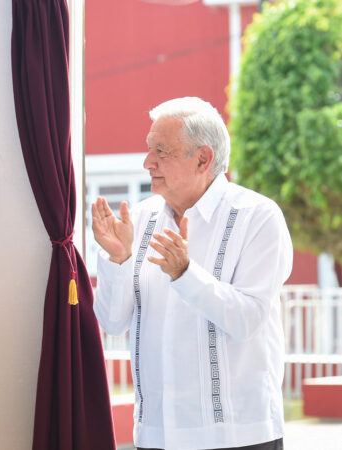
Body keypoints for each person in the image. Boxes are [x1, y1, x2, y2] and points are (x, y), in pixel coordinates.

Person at [92, 97, 292, 450]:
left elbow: (247, 319)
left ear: (203, 158)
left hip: (238, 436)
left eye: (161, 151)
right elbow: (112, 323)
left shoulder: (257, 217)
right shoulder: (137, 220)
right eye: (149, 149)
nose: (147, 162)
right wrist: (117, 261)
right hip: (156, 436)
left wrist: (185, 273)